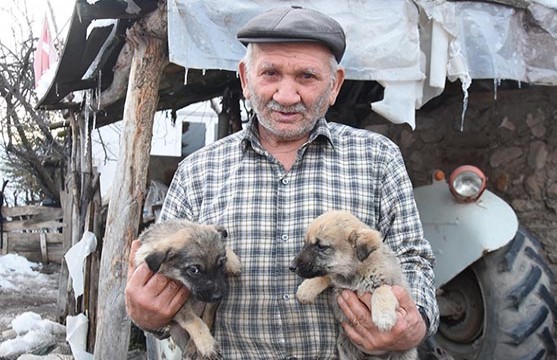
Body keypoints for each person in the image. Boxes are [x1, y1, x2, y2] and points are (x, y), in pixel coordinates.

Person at [125, 6, 439, 359]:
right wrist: (147, 316)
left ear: (334, 85)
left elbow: (413, 260)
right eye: (270, 73)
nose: (286, 95)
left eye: (307, 76)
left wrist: (416, 322)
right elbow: (162, 284)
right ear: (245, 78)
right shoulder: (196, 172)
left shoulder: (378, 158)